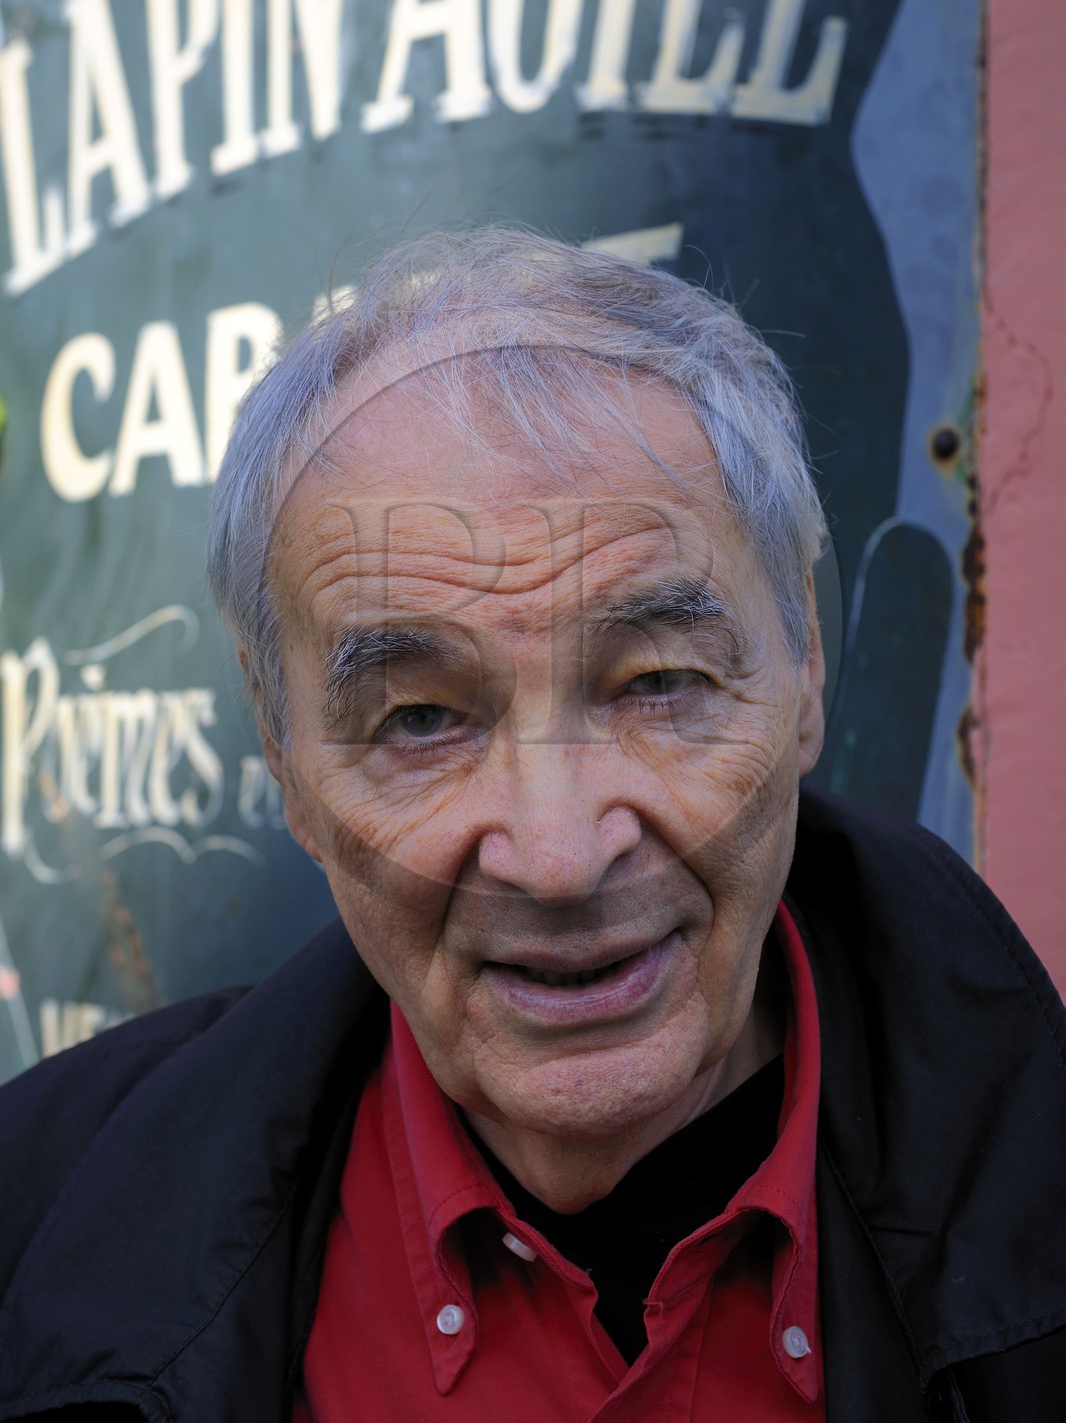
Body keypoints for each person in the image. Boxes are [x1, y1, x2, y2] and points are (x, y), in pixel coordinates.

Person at [0, 229, 1063, 1423]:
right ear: (285, 758)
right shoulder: (34, 1234)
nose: (559, 857)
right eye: (418, 719)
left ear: (804, 667)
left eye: (657, 683)